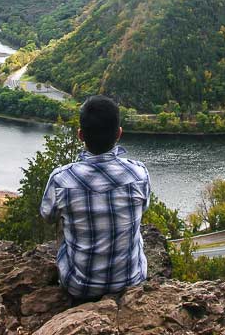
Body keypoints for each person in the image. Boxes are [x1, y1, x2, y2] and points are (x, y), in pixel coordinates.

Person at [39, 95, 151, 301]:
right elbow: (143, 208)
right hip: (130, 281)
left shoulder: (61, 179)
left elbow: (48, 215)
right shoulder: (139, 174)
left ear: (80, 135)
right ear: (119, 134)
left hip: (79, 286)